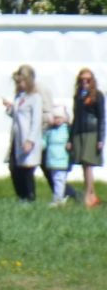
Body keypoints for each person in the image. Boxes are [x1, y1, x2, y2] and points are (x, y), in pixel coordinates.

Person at [3, 65, 43, 202]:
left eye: (21, 81)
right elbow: (16, 115)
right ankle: (21, 196)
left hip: (27, 138)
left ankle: (30, 197)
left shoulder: (35, 98)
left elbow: (36, 121)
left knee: (27, 169)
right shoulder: (19, 97)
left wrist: (30, 140)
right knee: (14, 167)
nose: (19, 84)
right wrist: (9, 108)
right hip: (17, 137)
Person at [73, 69, 103, 209]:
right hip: (80, 132)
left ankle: (88, 195)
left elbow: (102, 118)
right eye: (82, 80)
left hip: (92, 132)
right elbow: (75, 117)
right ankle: (92, 195)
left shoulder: (97, 95)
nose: (85, 82)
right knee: (84, 165)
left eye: (88, 80)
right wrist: (70, 137)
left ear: (93, 81)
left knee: (88, 164)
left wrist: (100, 138)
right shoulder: (78, 96)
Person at [41, 101, 72, 205]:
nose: (57, 120)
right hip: (51, 159)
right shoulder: (50, 131)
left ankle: (58, 199)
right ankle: (59, 197)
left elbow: (70, 141)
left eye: (60, 117)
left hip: (62, 160)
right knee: (55, 180)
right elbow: (44, 142)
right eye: (55, 118)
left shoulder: (66, 130)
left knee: (59, 180)